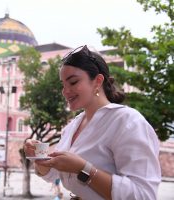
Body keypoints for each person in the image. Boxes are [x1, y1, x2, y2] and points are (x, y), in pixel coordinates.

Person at [24, 45, 161, 200]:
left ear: (97, 81)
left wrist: (83, 169)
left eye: (73, 82)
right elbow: (54, 174)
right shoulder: (73, 125)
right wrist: (40, 159)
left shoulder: (127, 121)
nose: (65, 91)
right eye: (63, 84)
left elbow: (144, 195)